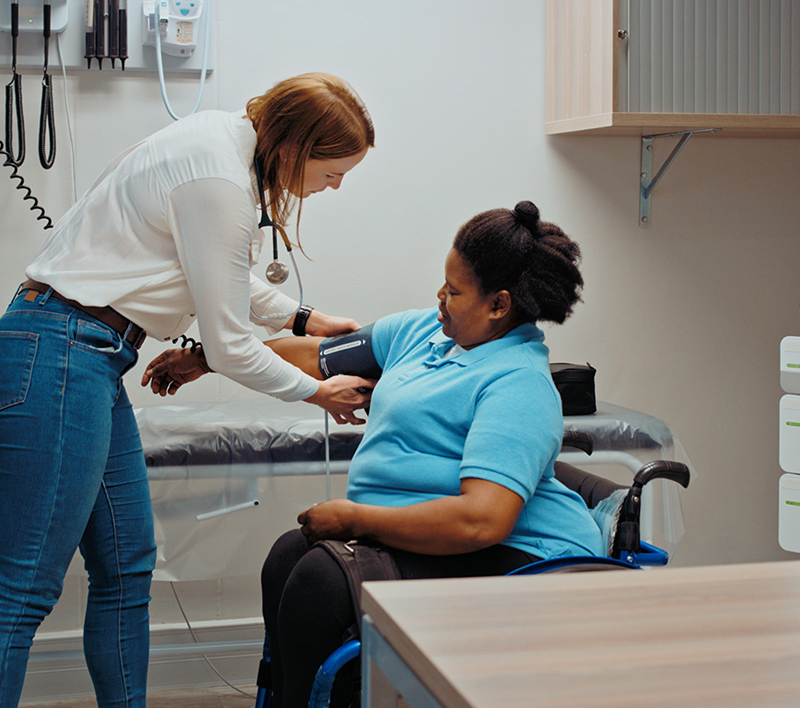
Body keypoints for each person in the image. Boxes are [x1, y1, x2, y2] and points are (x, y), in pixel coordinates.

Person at [0, 72, 376, 708]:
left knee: (126, 568)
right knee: (26, 585)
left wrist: (303, 319)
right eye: (334, 171)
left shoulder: (219, 144)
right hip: (62, 353)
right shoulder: (220, 181)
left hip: (86, 355)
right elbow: (229, 345)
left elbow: (212, 268)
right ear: (293, 149)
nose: (335, 186)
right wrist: (319, 394)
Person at [144, 200, 605, 708]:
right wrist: (208, 360)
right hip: (443, 533)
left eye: (454, 292)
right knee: (287, 558)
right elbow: (314, 358)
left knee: (322, 580)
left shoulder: (519, 383)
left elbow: (482, 521)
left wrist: (356, 518)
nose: (440, 298)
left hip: (525, 560)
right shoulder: (423, 333)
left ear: (499, 305)